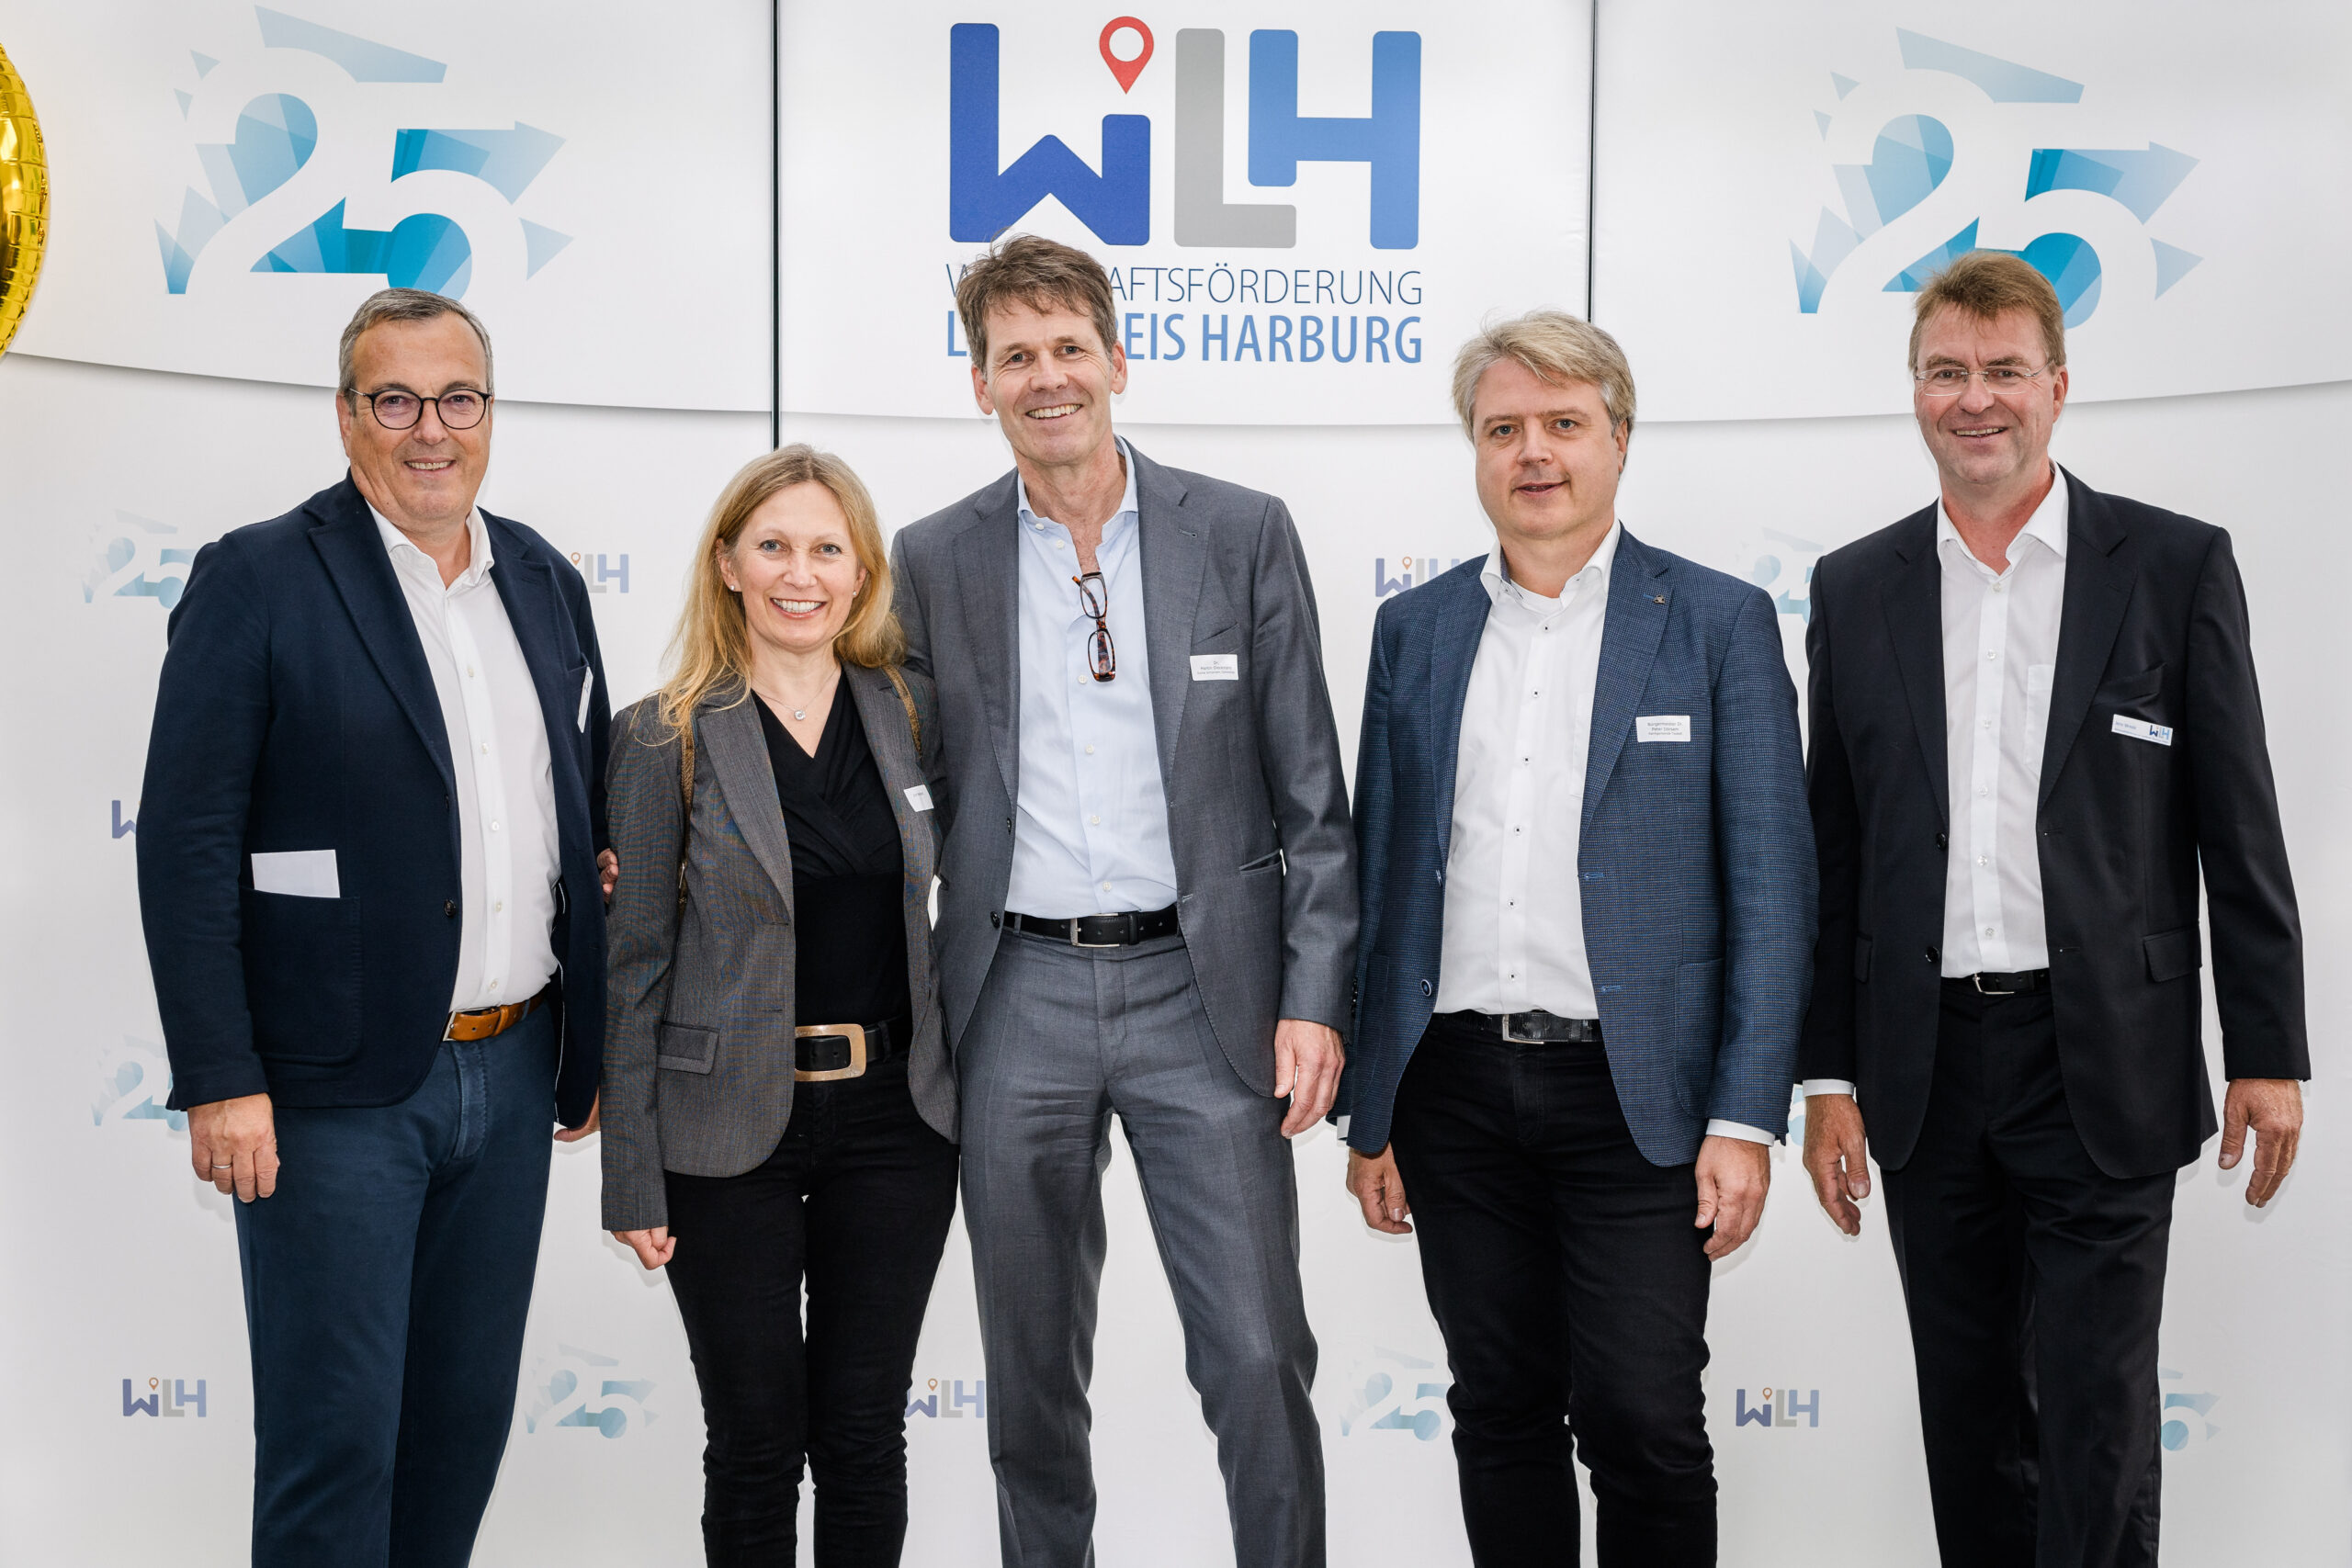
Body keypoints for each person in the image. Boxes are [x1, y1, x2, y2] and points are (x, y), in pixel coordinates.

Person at [1798, 250, 2308, 1567]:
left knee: (2095, 1413)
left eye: (2003, 371)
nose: (1975, 398)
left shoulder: (2174, 566)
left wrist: (2266, 1051)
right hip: (1923, 1065)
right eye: (1946, 372)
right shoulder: (1853, 587)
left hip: (2107, 1055)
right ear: (1914, 390)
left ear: (2058, 387)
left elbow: (2238, 824)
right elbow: (1832, 851)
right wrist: (1827, 1076)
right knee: (1969, 1415)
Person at [888, 233, 1356, 1568]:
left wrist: (1316, 999)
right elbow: (895, 781)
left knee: (1258, 1352)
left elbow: (1313, 800)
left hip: (1207, 998)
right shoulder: (933, 556)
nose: (1047, 377)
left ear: (1117, 360)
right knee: (1029, 1372)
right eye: (1015, 355)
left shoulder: (1243, 531)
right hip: (1015, 996)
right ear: (980, 383)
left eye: (1068, 347)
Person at [135, 287, 611, 1566]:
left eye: (458, 398)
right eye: (395, 400)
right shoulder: (258, 577)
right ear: (346, 416)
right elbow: (186, 845)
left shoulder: (547, 583)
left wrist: (590, 1042)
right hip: (330, 1094)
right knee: (334, 1442)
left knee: (459, 1432)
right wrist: (221, 1076)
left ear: (491, 413)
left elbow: (578, 811)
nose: (430, 429)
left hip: (513, 1072)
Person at [1337, 310, 1815, 1567]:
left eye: (1563, 423)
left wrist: (1745, 1114)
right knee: (1499, 1410)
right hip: (1452, 1089)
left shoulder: (1716, 621)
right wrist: (1374, 1110)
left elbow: (1773, 887)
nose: (1533, 452)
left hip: (1640, 1095)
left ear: (1619, 437)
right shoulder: (1414, 630)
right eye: (1504, 428)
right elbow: (1380, 873)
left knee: (1644, 1420)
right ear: (1475, 450)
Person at [600, 446, 957, 1565]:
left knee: (863, 1436)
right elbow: (634, 962)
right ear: (728, 564)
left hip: (897, 1122)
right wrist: (631, 1172)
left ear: (861, 573)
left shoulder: (913, 715)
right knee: (754, 1444)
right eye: (773, 546)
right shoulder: (661, 735)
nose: (800, 574)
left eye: (825, 549)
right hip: (721, 1132)